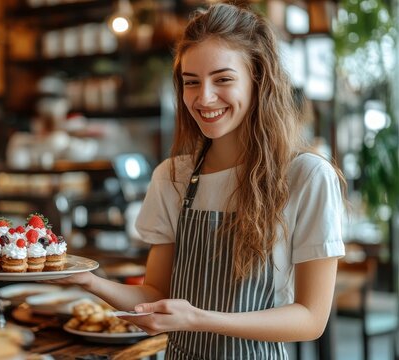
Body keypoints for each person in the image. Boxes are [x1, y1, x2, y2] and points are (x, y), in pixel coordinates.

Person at [50, 3, 347, 359]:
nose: (204, 98)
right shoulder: (172, 177)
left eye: (223, 79)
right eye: (192, 82)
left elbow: (311, 319)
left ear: (259, 79)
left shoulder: (306, 176)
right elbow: (156, 296)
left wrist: (199, 319)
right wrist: (88, 281)